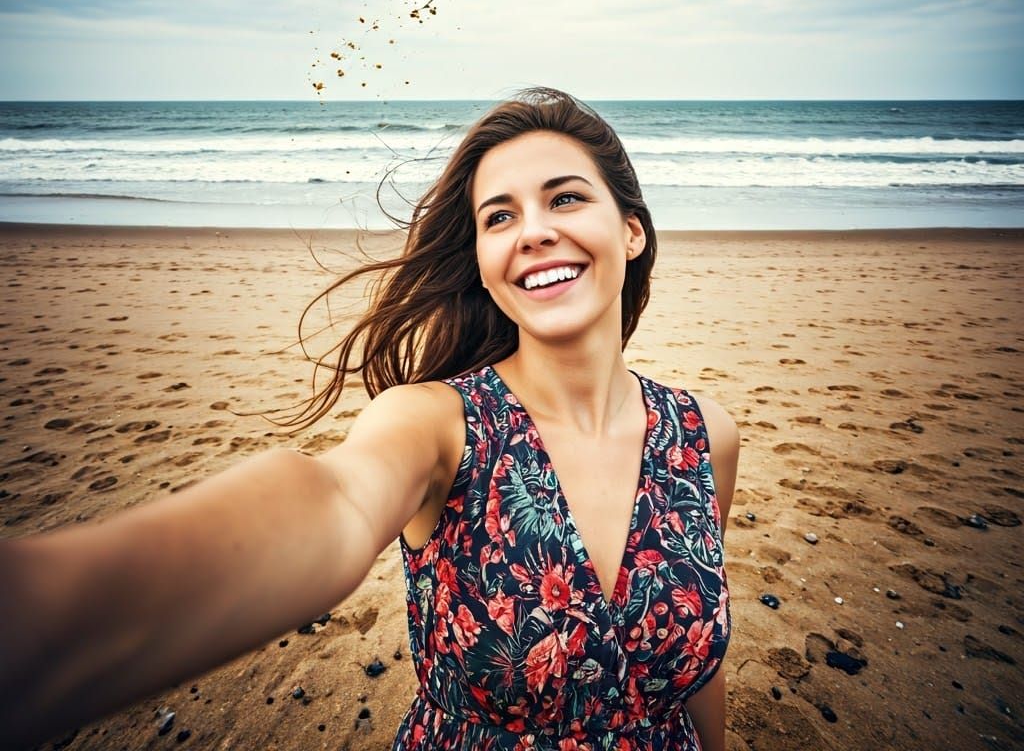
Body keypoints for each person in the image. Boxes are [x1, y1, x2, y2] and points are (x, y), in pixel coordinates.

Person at [0, 88, 738, 751]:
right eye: (500, 216)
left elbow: (697, 662)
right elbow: (334, 503)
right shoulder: (436, 424)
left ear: (632, 232)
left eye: (567, 199)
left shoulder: (703, 434)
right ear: (483, 260)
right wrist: (44, 618)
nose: (533, 231)